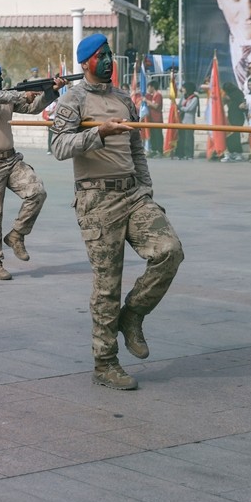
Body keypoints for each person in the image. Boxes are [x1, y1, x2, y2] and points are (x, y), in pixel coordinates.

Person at [50, 34, 184, 391]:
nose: (108, 61)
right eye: (100, 56)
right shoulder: (72, 100)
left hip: (133, 194)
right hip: (97, 201)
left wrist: (147, 189)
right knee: (107, 284)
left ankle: (133, 314)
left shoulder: (124, 98)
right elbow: (58, 145)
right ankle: (105, 363)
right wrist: (98, 134)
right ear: (85, 64)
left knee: (169, 251)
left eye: (110, 54)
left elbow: (136, 148)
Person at [0, 60, 60, 281]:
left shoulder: (5, 97)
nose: (1, 81)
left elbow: (32, 107)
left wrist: (50, 92)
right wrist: (20, 95)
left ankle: (17, 234)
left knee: (37, 192)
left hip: (11, 160)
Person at [222, 82, 246, 162]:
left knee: (236, 135)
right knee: (230, 136)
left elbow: (241, 102)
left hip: (238, 116)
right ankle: (231, 152)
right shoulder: (229, 94)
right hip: (231, 116)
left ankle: (239, 153)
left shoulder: (237, 93)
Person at [175, 83, 199, 159]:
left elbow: (189, 109)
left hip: (189, 122)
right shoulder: (183, 97)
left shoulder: (195, 98)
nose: (182, 90)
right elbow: (179, 105)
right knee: (181, 138)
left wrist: (180, 108)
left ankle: (189, 154)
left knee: (189, 139)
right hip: (182, 121)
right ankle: (181, 154)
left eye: (184, 88)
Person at [145, 81, 164, 156]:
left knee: (158, 135)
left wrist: (147, 101)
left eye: (149, 87)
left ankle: (159, 151)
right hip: (151, 119)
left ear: (152, 87)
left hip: (157, 119)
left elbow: (155, 106)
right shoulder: (152, 96)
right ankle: (154, 150)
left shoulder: (158, 95)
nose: (148, 89)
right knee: (153, 135)